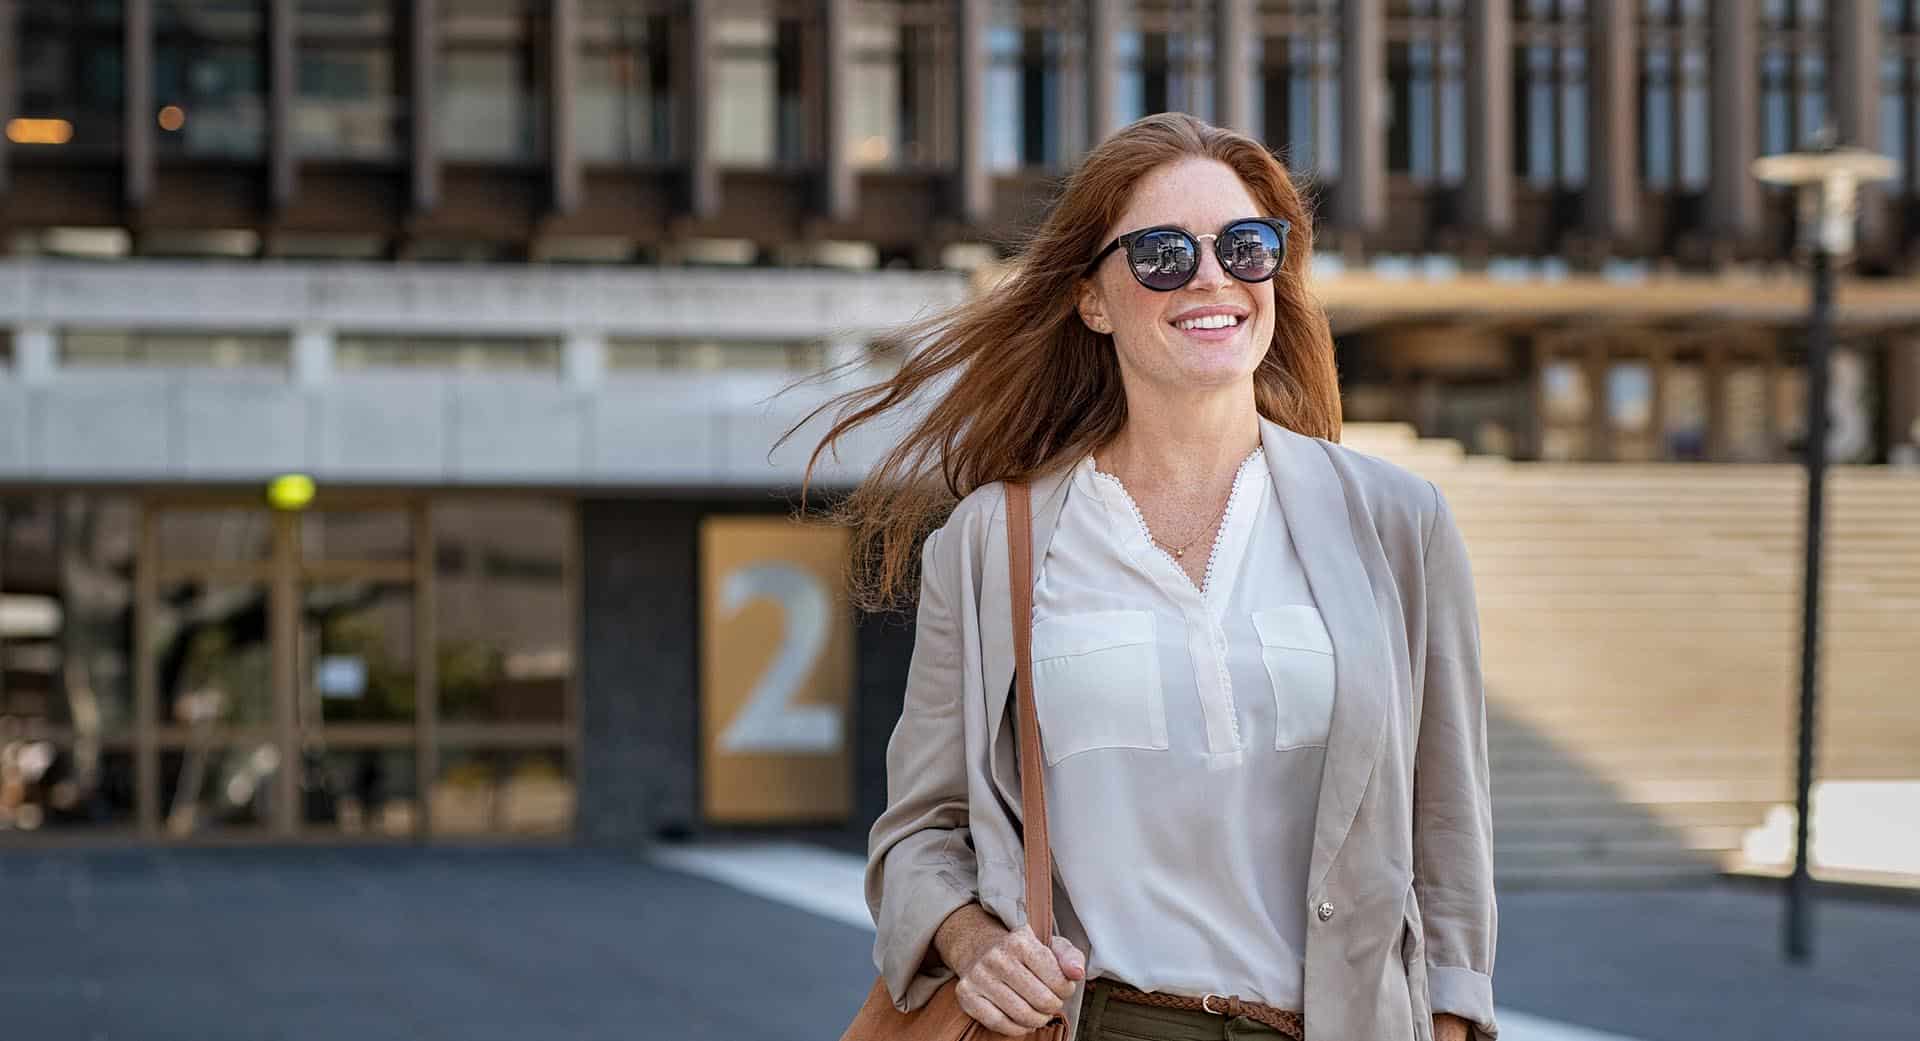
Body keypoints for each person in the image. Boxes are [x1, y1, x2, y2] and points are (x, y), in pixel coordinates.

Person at [794, 113, 1497, 1041]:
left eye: (1247, 248)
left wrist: (1450, 1025)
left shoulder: (1398, 521)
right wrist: (973, 945)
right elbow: (919, 834)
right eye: (1163, 254)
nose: (1213, 278)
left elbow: (1450, 835)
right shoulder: (987, 543)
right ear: (1092, 298)